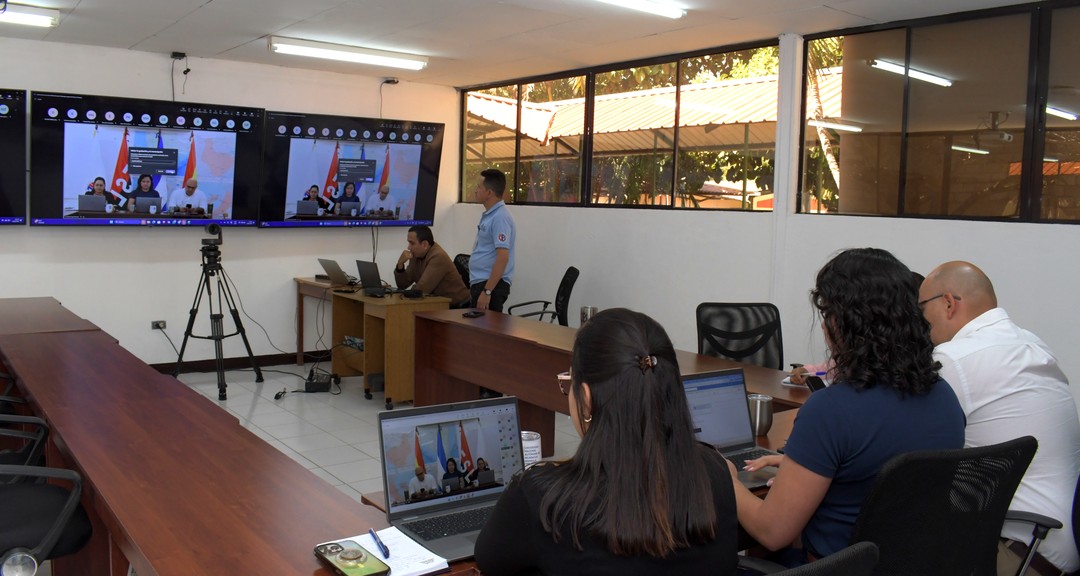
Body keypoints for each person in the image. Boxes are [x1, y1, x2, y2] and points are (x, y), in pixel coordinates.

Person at [730, 248, 964, 564]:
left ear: (841, 324)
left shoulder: (830, 410)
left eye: (827, 313)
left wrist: (727, 479)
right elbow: (877, 467)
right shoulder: (945, 397)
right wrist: (809, 466)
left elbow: (773, 532)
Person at [475, 308, 739, 576]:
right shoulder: (715, 472)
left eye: (570, 382)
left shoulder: (542, 497)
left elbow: (489, 560)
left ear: (587, 400)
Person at [920, 261, 1080, 575]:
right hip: (1059, 543)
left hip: (1017, 552)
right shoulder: (1033, 345)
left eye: (921, 307)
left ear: (949, 303)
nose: (920, 320)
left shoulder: (954, 358)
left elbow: (907, 441)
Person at [469, 168, 515, 312]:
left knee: (485, 332)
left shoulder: (500, 217)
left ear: (489, 193)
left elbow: (503, 257)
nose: (475, 190)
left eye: (479, 187)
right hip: (481, 283)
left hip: (490, 286)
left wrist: (487, 291)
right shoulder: (491, 215)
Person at [393, 225, 471, 307]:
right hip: (436, 304)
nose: (408, 247)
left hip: (456, 307)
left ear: (425, 244)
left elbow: (422, 289)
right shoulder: (416, 255)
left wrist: (404, 294)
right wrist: (400, 265)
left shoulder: (438, 256)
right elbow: (402, 285)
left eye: (412, 243)